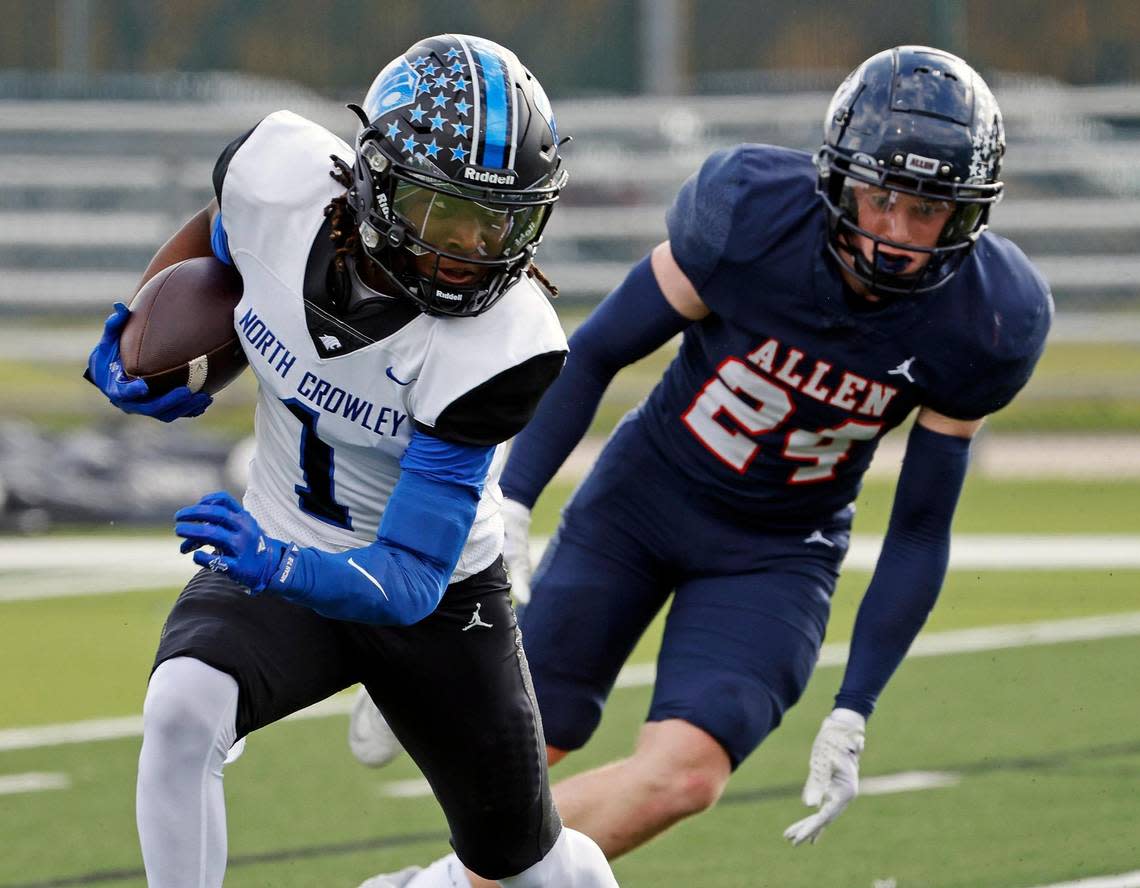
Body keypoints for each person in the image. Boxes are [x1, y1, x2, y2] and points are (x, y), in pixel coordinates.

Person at [354, 45, 1052, 887]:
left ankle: (433, 887)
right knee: (520, 742)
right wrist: (511, 500)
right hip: (643, 503)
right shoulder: (754, 216)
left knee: (685, 777)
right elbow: (599, 350)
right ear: (839, 177)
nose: (897, 235)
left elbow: (918, 529)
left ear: (969, 216)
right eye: (883, 198)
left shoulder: (989, 320)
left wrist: (855, 705)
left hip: (779, 548)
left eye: (929, 212)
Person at [85, 33, 619, 888]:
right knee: (184, 706)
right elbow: (221, 239)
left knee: (529, 871)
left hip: (435, 603)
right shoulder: (281, 178)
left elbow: (408, 577)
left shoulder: (502, 344)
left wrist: (278, 564)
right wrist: (144, 342)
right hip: (277, 532)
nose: (472, 250)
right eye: (446, 214)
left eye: (501, 221)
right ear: (375, 182)